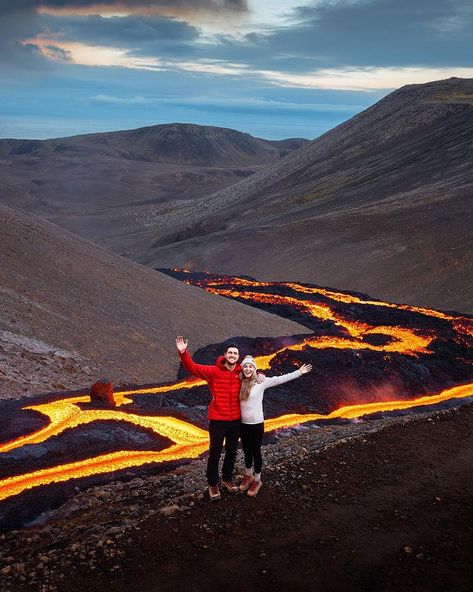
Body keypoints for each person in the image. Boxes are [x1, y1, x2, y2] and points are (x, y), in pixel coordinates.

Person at [175, 335, 242, 501]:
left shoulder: (242, 374)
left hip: (236, 421)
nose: (232, 355)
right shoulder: (214, 371)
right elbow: (192, 368)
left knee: (232, 452)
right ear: (225, 355)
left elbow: (258, 378)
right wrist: (183, 353)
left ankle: (227, 479)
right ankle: (213, 483)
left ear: (238, 357)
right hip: (218, 420)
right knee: (215, 452)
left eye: (235, 353)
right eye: (230, 353)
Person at [238, 355, 312, 497]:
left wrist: (298, 373)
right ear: (242, 369)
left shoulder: (261, 382)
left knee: (255, 452)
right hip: (242, 424)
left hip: (256, 424)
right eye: (245, 366)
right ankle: (248, 475)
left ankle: (257, 480)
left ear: (254, 369)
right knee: (246, 451)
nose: (248, 369)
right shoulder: (239, 381)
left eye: (250, 366)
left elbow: (279, 379)